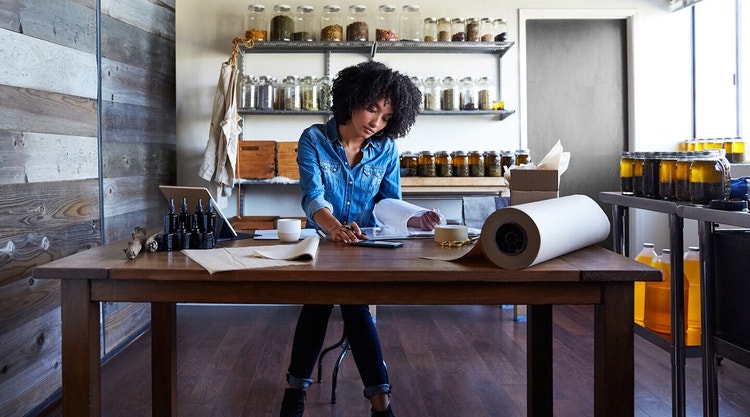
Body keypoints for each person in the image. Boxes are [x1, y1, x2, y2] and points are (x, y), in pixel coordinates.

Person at [279, 61, 441, 417]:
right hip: (324, 242)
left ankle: (294, 393)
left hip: (366, 244)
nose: (376, 123)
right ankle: (381, 403)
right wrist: (334, 227)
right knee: (341, 300)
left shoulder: (386, 148)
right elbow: (312, 197)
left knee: (333, 299)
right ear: (352, 99)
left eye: (386, 117)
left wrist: (415, 217)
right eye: (372, 109)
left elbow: (388, 201)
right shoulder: (314, 139)